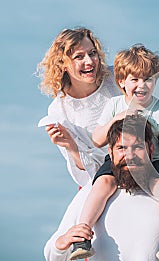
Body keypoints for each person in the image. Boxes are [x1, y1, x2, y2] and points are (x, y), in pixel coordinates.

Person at [72, 44, 159, 261]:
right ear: (122, 82)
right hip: (118, 160)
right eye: (134, 79)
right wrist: (117, 118)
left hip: (152, 161)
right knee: (102, 183)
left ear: (155, 82)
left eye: (148, 79)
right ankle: (82, 235)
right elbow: (97, 139)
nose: (141, 85)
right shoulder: (114, 104)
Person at [44, 115, 159, 261]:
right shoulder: (90, 194)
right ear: (110, 152)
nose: (130, 155)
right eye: (121, 148)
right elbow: (54, 260)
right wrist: (62, 242)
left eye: (138, 147)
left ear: (151, 150)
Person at [36, 27, 120, 187]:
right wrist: (71, 147)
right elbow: (86, 169)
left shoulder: (116, 78)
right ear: (63, 65)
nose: (89, 61)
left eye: (92, 53)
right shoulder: (58, 111)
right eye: (79, 57)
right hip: (102, 181)